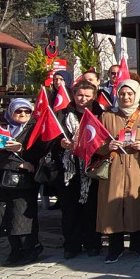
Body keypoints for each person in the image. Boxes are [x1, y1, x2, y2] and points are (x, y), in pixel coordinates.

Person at [96, 80, 140, 263]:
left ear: (137, 94)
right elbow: (96, 143)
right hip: (114, 168)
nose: (126, 97)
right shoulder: (107, 116)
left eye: (130, 93)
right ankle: (115, 248)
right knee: (113, 207)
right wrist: (108, 146)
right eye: (122, 94)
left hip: (139, 168)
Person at [0, 99, 46, 266]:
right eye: (18, 111)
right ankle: (14, 249)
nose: (23, 114)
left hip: (24, 182)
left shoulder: (34, 129)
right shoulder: (1, 129)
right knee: (6, 215)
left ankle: (31, 248)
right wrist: (19, 164)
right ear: (11, 112)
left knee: (22, 214)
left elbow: (40, 152)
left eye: (27, 111)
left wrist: (22, 150)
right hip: (0, 180)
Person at [54, 81, 104, 259]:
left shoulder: (100, 114)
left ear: (93, 96)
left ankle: (93, 243)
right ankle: (71, 245)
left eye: (87, 96)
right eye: (79, 95)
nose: (83, 99)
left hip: (92, 168)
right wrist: (60, 144)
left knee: (92, 209)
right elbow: (50, 139)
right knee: (70, 210)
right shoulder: (62, 115)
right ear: (74, 95)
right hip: (69, 169)